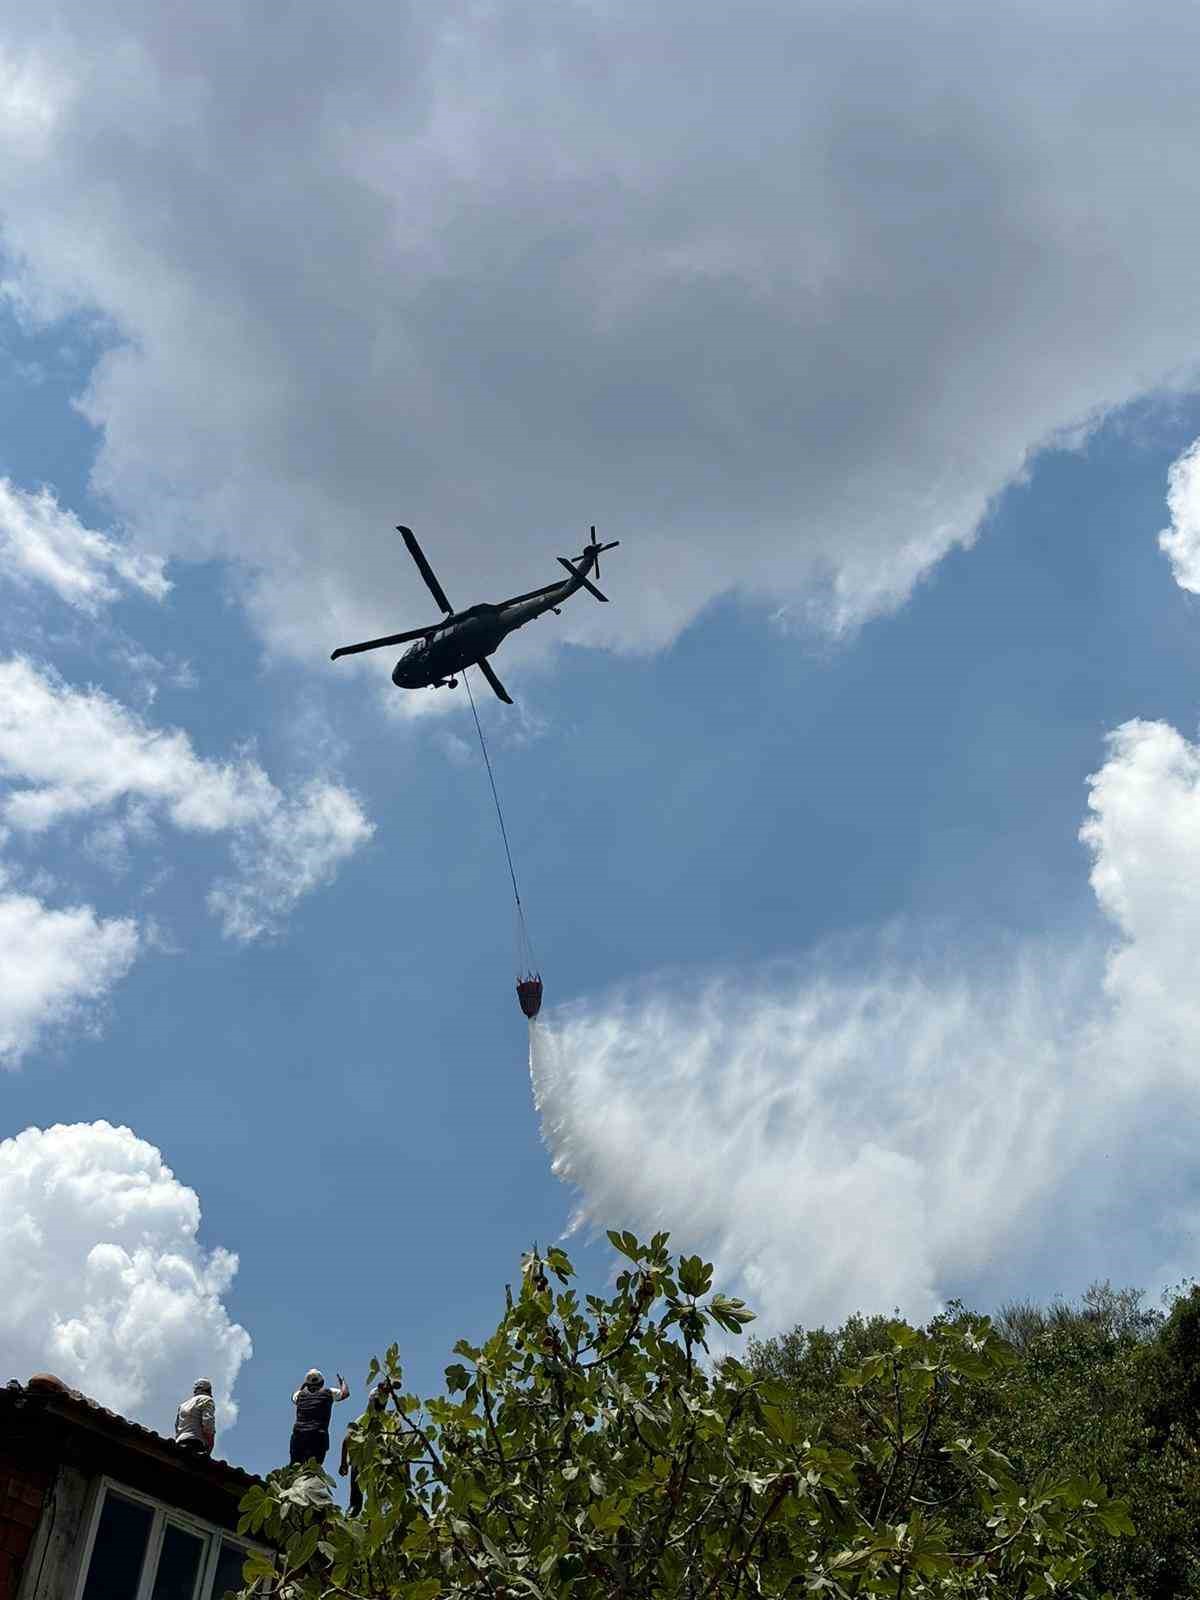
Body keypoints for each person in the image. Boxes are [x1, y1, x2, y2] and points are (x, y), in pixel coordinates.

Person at [339, 1381, 391, 1515]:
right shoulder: (366, 1420)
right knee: (358, 1502)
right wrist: (343, 1463)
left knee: (373, 1500)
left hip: (374, 1464)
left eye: (380, 1405)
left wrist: (343, 1463)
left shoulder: (386, 1422)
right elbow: (346, 1441)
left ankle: (369, 1520)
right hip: (360, 1464)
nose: (378, 1407)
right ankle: (353, 1516)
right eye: (376, 1404)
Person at [290, 1368, 349, 1467]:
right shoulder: (329, 1392)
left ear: (307, 1384)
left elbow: (293, 1396)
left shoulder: (300, 1395)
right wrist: (342, 1382)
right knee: (314, 1470)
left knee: (294, 1467)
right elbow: (345, 1393)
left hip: (299, 1436)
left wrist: (303, 1386)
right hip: (318, 1437)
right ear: (322, 1383)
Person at [174, 1379, 216, 1456]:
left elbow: (176, 1426)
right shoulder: (207, 1400)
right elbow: (208, 1422)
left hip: (179, 1443)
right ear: (209, 1390)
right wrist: (211, 1443)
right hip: (196, 1443)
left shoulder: (182, 1405)